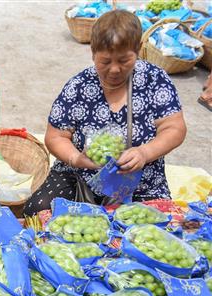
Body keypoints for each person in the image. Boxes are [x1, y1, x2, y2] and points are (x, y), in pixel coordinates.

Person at [24, 10, 186, 216]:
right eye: (106, 61)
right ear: (93, 53)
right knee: (38, 210)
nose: (115, 69)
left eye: (124, 60)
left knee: (154, 226)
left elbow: (174, 128)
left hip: (140, 181)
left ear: (138, 49)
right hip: (80, 177)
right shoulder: (79, 86)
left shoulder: (154, 80)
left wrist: (144, 153)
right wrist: (76, 159)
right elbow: (56, 136)